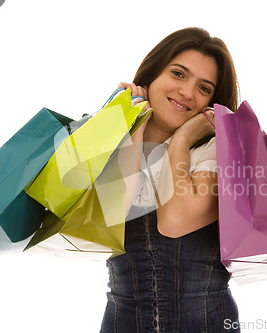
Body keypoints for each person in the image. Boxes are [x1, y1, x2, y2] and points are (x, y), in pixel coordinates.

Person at [100, 27, 240, 332]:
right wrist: (134, 121)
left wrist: (184, 138)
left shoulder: (217, 147)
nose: (188, 93)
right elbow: (109, 214)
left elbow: (174, 221)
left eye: (204, 88)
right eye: (178, 74)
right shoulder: (110, 137)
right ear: (151, 75)